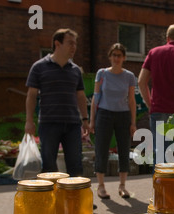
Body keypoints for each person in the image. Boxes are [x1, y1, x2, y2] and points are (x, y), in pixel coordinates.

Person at [25, 28, 89, 177]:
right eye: (70, 43)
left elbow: (80, 96)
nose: (74, 47)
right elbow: (31, 95)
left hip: (72, 124)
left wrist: (85, 120)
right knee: (49, 165)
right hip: (49, 123)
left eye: (75, 44)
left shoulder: (75, 70)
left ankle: (76, 198)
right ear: (57, 44)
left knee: (75, 164)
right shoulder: (39, 67)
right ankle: (51, 199)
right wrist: (29, 121)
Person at [138, 23, 174, 163]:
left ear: (167, 38)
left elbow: (141, 81)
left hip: (158, 110)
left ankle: (157, 184)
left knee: (159, 155)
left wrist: (150, 104)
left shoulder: (154, 53)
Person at [89, 43, 137, 199]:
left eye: (119, 55)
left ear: (124, 58)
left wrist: (133, 122)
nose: (116, 58)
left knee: (124, 149)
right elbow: (95, 98)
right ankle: (101, 186)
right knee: (101, 149)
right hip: (104, 114)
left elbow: (131, 100)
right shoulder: (102, 73)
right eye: (114, 55)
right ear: (110, 57)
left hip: (123, 115)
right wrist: (91, 121)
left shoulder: (129, 76)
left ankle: (122, 186)